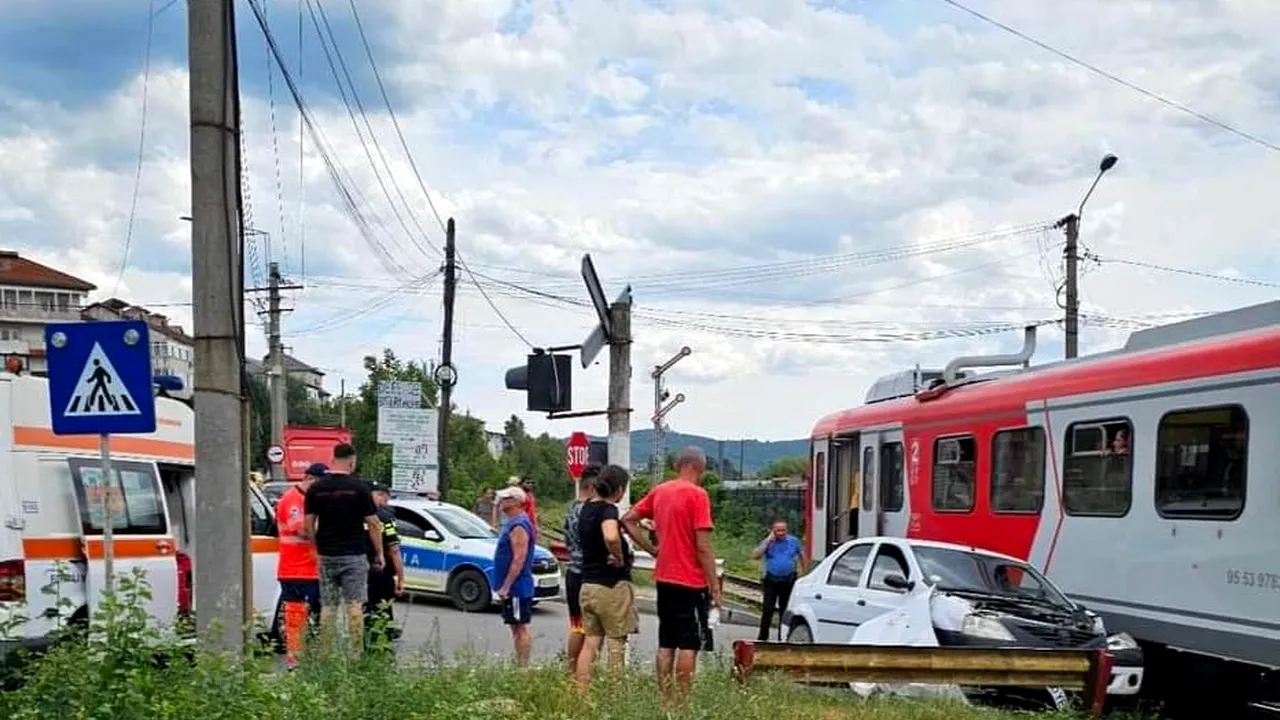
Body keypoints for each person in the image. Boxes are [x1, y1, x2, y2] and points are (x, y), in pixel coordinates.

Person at [622, 446, 722, 706]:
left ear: (678, 466)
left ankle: (665, 699)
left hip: (665, 577)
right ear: (699, 467)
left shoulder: (660, 491)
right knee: (689, 645)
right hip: (691, 581)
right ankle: (682, 703)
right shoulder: (698, 495)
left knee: (667, 641)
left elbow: (628, 520)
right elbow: (703, 545)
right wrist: (715, 585)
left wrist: (652, 549)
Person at [304, 443, 384, 656]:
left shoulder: (316, 489)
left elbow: (308, 524)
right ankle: (355, 653)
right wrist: (379, 553)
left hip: (327, 554)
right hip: (354, 554)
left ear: (333, 459)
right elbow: (374, 524)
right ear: (352, 461)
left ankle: (325, 652)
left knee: (328, 606)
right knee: (355, 604)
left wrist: (316, 547)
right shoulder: (359, 489)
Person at [575, 464, 638, 692]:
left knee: (591, 643)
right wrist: (618, 556)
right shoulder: (608, 510)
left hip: (588, 585)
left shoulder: (586, 508)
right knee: (616, 643)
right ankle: (615, 695)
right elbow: (610, 536)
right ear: (619, 489)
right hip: (610, 587)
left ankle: (581, 694)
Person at [275, 462, 325, 669]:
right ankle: (295, 659)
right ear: (311, 479)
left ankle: (308, 657)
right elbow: (302, 530)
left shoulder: (309, 500)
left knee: (315, 615)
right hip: (296, 569)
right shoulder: (293, 499)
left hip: (311, 569)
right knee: (296, 616)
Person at [563, 463, 601, 674]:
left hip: (572, 572)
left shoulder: (571, 509)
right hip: (589, 575)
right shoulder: (589, 511)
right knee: (592, 632)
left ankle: (571, 671)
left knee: (577, 626)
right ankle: (584, 673)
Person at [494, 485, 536, 666]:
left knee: (520, 627)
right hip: (512, 586)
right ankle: (520, 663)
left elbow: (519, 558)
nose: (501, 502)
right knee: (514, 626)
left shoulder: (519, 524)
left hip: (517, 586)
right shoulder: (511, 522)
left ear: (517, 502)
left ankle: (522, 666)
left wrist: (506, 585)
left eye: (505, 499)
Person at [751, 519, 805, 642]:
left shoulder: (793, 541)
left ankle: (783, 637)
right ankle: (763, 637)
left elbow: (802, 555)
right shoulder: (768, 542)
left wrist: (805, 573)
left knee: (784, 609)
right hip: (771, 579)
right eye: (777, 530)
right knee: (767, 609)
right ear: (773, 531)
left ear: (787, 530)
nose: (780, 533)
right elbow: (755, 555)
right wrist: (768, 541)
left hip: (788, 579)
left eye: (783, 530)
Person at [365, 482, 404, 647]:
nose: (386, 501)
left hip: (359, 567)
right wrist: (401, 578)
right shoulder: (385, 517)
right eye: (384, 497)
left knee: (365, 604)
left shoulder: (354, 513)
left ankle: (366, 634)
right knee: (383, 603)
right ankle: (382, 635)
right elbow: (394, 549)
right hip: (381, 568)